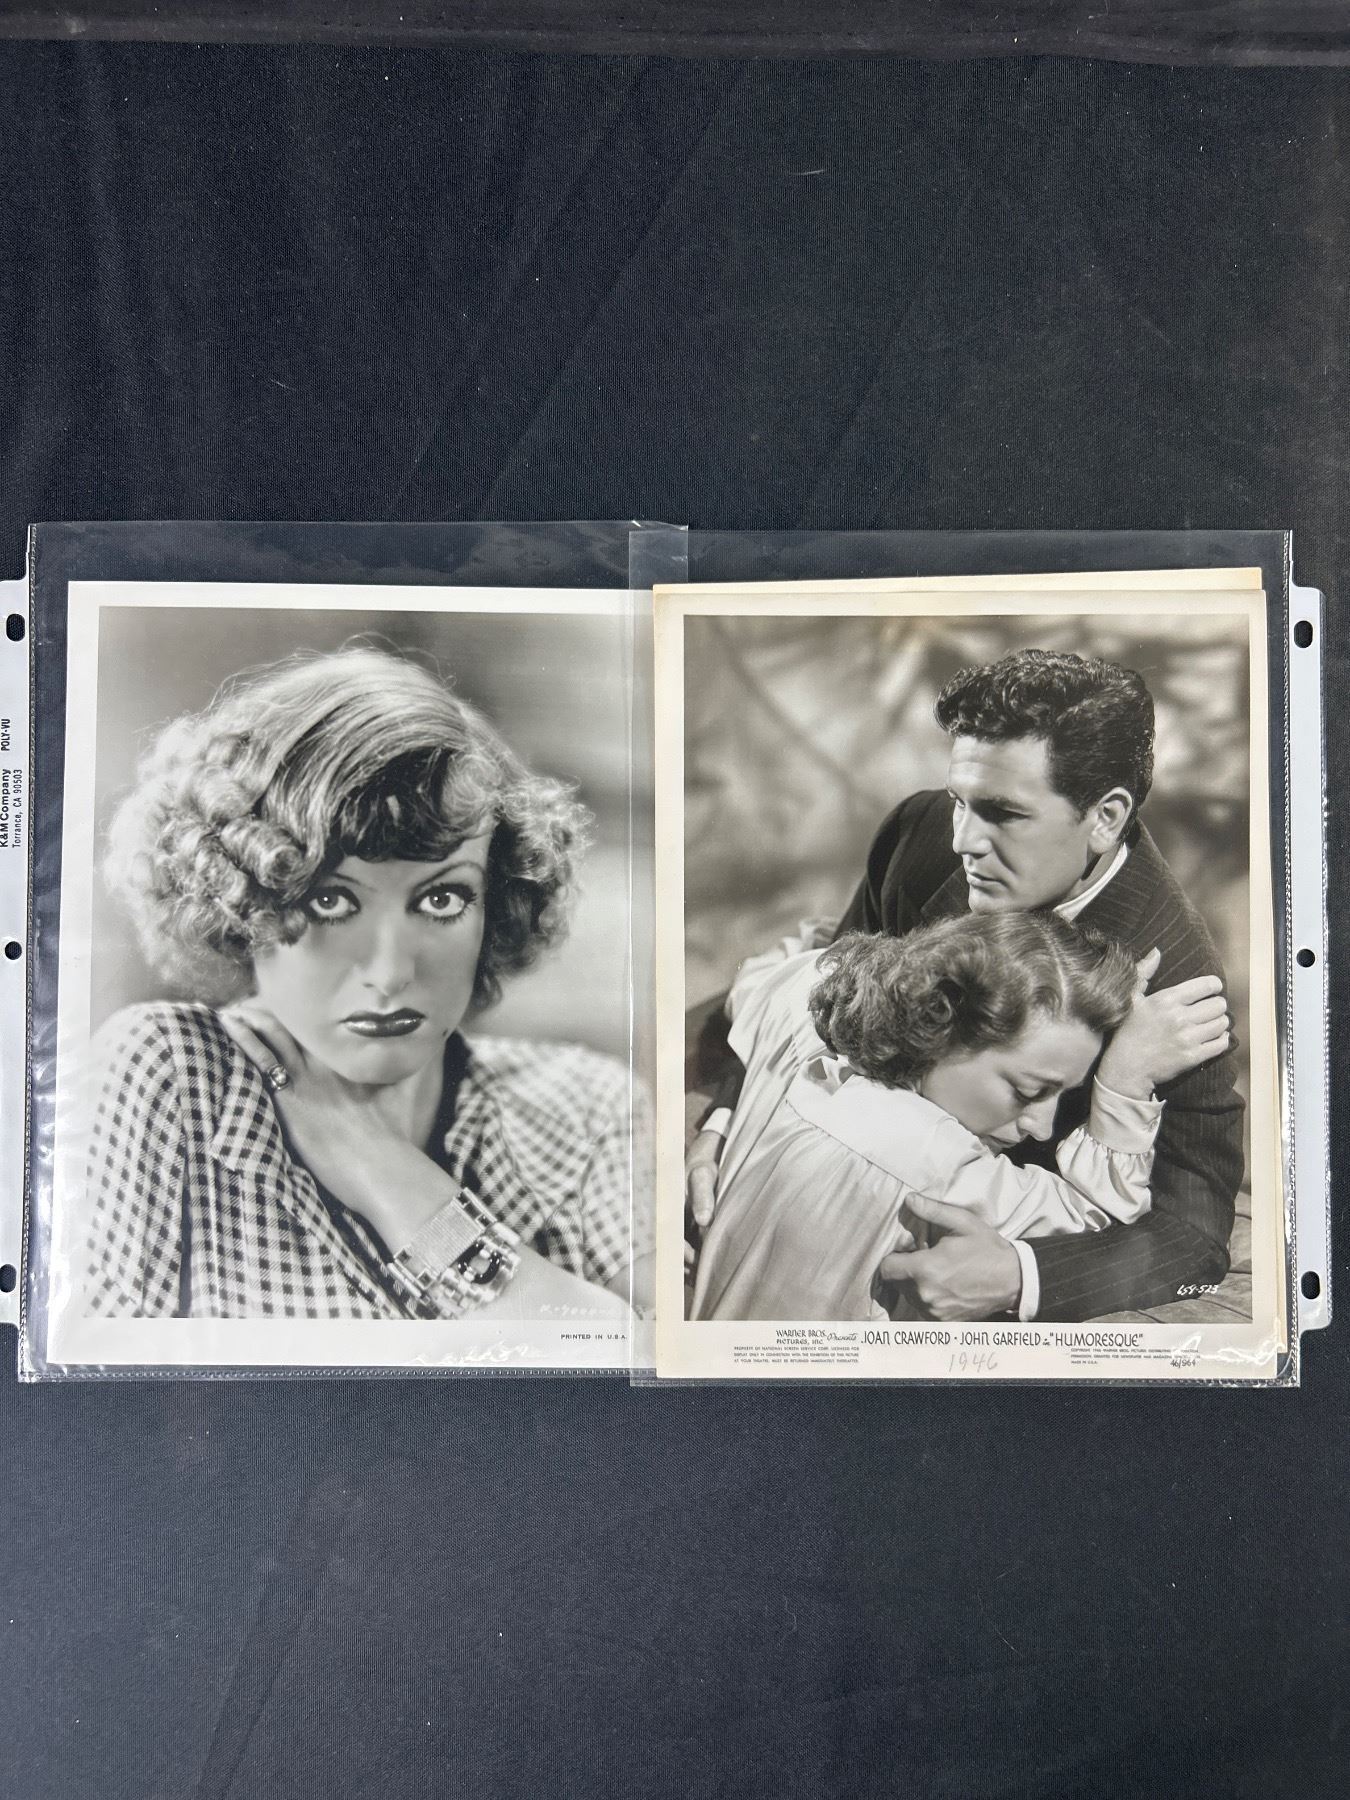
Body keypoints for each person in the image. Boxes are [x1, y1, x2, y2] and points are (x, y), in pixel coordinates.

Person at [84, 645, 644, 1322]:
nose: (389, 971)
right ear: (241, 901)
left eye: (441, 899)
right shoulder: (172, 1076)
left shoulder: (590, 1108)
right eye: (330, 901)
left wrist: (379, 1165)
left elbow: (651, 1360)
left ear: (495, 905)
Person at [686, 648, 1245, 1323]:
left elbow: (1192, 1237)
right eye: (961, 800)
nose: (963, 841)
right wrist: (723, 1123)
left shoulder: (1179, 982)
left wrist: (1019, 1276)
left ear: (1105, 817)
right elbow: (834, 990)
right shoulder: (920, 835)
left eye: (1004, 813)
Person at [691, 916, 1228, 1323]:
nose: (1041, 1127)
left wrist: (720, 1123)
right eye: (1028, 1091)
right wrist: (1126, 1082)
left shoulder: (799, 1007)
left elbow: (765, 976)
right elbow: (1098, 1223)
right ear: (937, 1026)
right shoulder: (931, 1158)